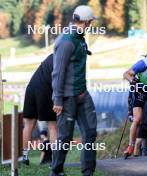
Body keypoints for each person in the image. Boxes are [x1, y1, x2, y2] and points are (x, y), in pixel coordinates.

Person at [50, 5, 97, 176]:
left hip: (82, 94)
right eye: (90, 21)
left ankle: (88, 172)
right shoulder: (66, 41)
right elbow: (58, 72)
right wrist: (57, 100)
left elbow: (78, 56)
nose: (91, 24)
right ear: (84, 22)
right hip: (67, 98)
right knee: (64, 138)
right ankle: (56, 171)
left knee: (90, 132)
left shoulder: (79, 37)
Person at [22, 54, 57, 165]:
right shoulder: (64, 58)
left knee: (28, 124)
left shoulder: (51, 56)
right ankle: (55, 159)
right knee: (52, 125)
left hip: (31, 87)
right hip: (45, 90)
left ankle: (24, 157)